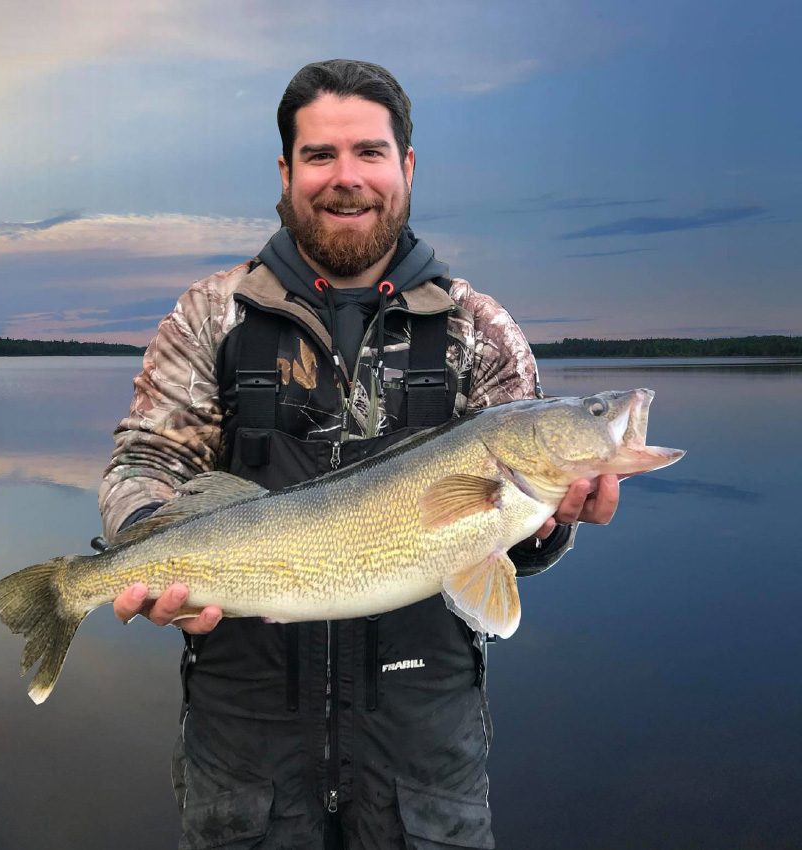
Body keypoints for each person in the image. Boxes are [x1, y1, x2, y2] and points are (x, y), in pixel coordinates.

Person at [96, 59, 621, 849]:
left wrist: (549, 521)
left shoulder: (477, 325)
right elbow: (143, 461)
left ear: (406, 167)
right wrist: (149, 541)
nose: (347, 179)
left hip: (422, 751)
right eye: (320, 156)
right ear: (286, 170)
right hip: (244, 746)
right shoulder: (212, 315)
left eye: (370, 153)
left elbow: (516, 534)